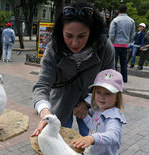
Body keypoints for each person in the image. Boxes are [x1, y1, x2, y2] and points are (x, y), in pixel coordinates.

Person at [31, 1, 115, 138]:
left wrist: (88, 103)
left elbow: (109, 83)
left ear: (92, 32)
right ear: (60, 32)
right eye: (68, 36)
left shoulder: (104, 47)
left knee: (92, 143)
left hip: (94, 102)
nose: (75, 44)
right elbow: (42, 85)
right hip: (61, 100)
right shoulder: (54, 48)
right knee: (58, 142)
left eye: (82, 36)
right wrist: (45, 113)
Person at [72, 69, 126, 155]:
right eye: (98, 92)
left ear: (117, 97)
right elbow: (95, 127)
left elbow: (113, 135)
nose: (102, 97)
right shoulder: (99, 110)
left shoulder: (114, 116)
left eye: (107, 93)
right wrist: (85, 117)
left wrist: (92, 138)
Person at [109, 4, 135, 83]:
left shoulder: (115, 20)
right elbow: (132, 34)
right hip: (124, 45)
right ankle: (124, 78)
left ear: (118, 11)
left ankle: (115, 79)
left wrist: (110, 42)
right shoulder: (131, 21)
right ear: (126, 10)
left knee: (114, 62)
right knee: (124, 62)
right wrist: (128, 41)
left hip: (115, 44)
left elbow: (112, 33)